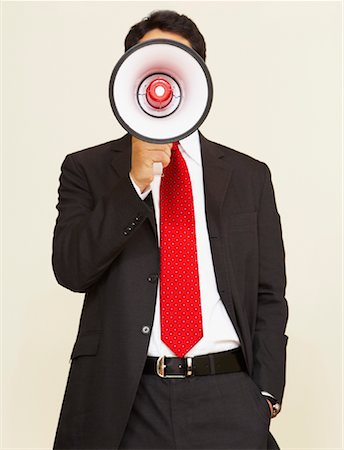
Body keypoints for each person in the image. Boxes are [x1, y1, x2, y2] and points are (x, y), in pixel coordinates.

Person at [52, 10, 288, 450]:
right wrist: (134, 184)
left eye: (178, 62)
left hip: (228, 393)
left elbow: (269, 293)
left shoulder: (249, 175)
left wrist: (266, 395)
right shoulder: (87, 168)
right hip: (126, 401)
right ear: (131, 76)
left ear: (198, 76)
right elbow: (71, 269)